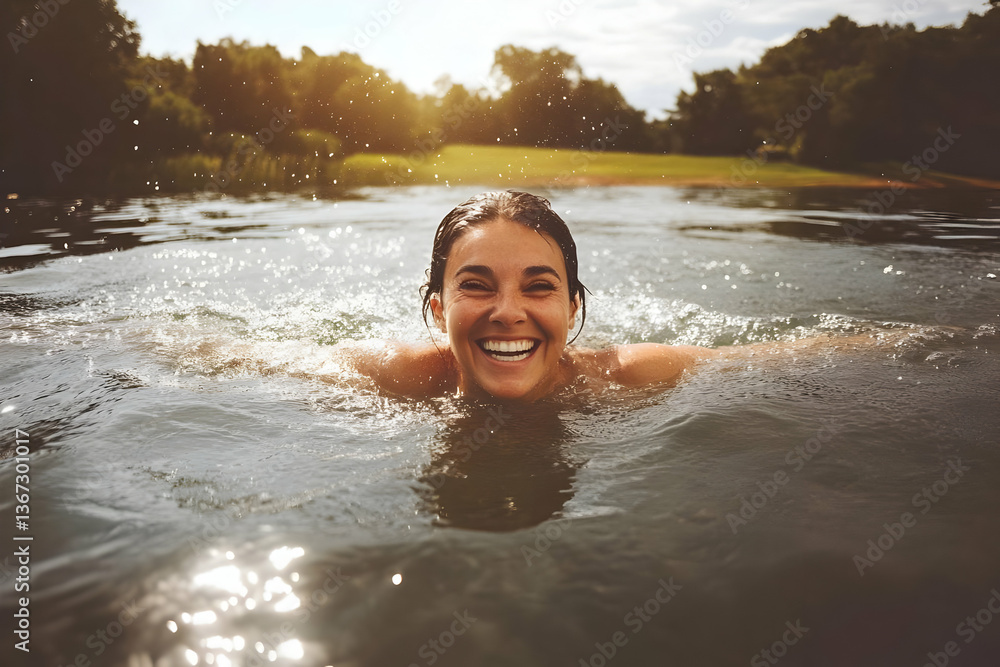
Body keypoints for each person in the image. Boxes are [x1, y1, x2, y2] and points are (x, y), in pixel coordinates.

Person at [336, 189, 804, 402]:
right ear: (439, 311)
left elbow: (773, 359)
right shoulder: (396, 374)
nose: (507, 313)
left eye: (539, 287)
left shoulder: (627, 376)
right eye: (476, 286)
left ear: (573, 306)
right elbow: (267, 360)